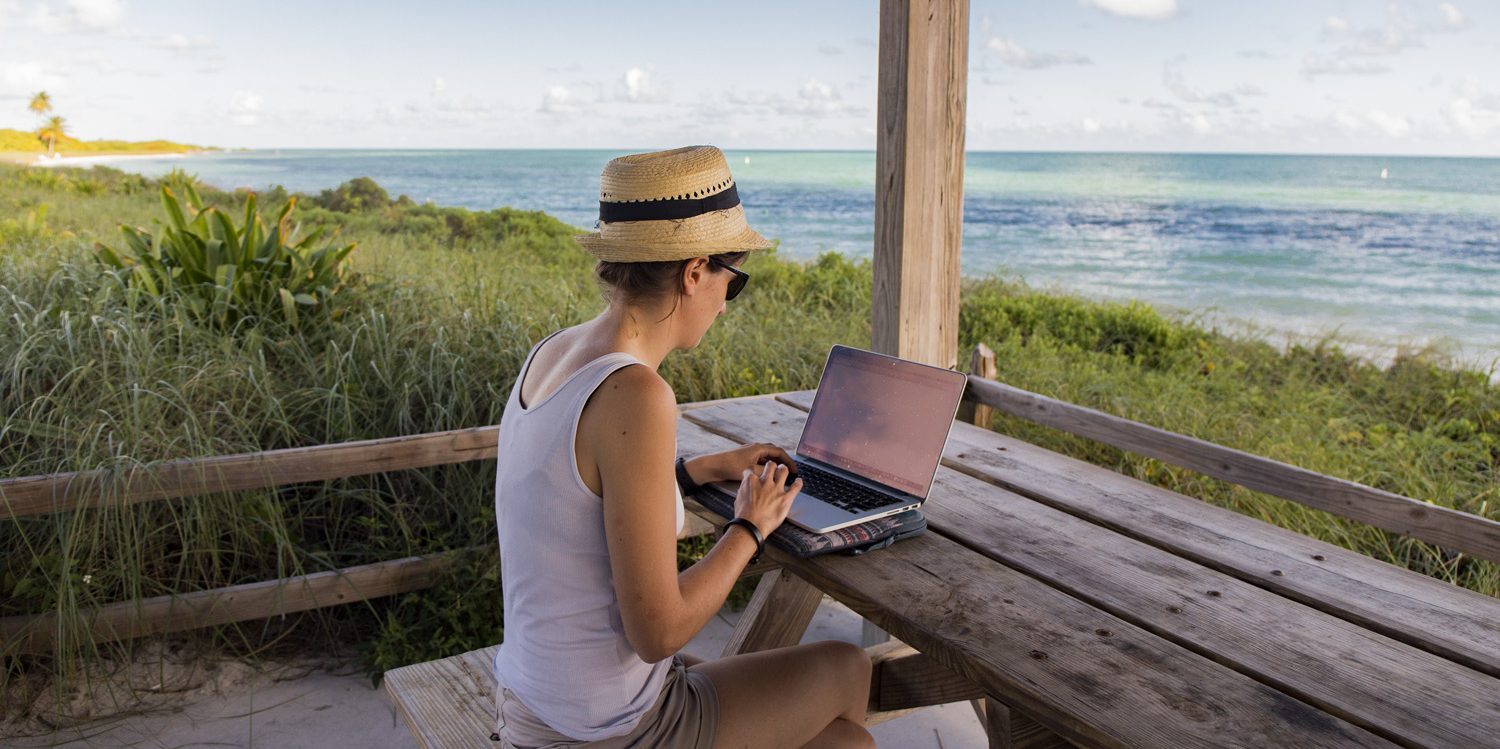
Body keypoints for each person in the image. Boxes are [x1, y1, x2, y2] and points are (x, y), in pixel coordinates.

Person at [491, 146, 874, 749]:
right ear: (695, 272)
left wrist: (700, 472)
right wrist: (749, 527)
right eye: (732, 280)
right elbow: (660, 632)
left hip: (536, 702)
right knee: (849, 673)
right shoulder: (637, 393)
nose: (725, 303)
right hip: (604, 731)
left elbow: (580, 495)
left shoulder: (554, 354)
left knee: (847, 741)